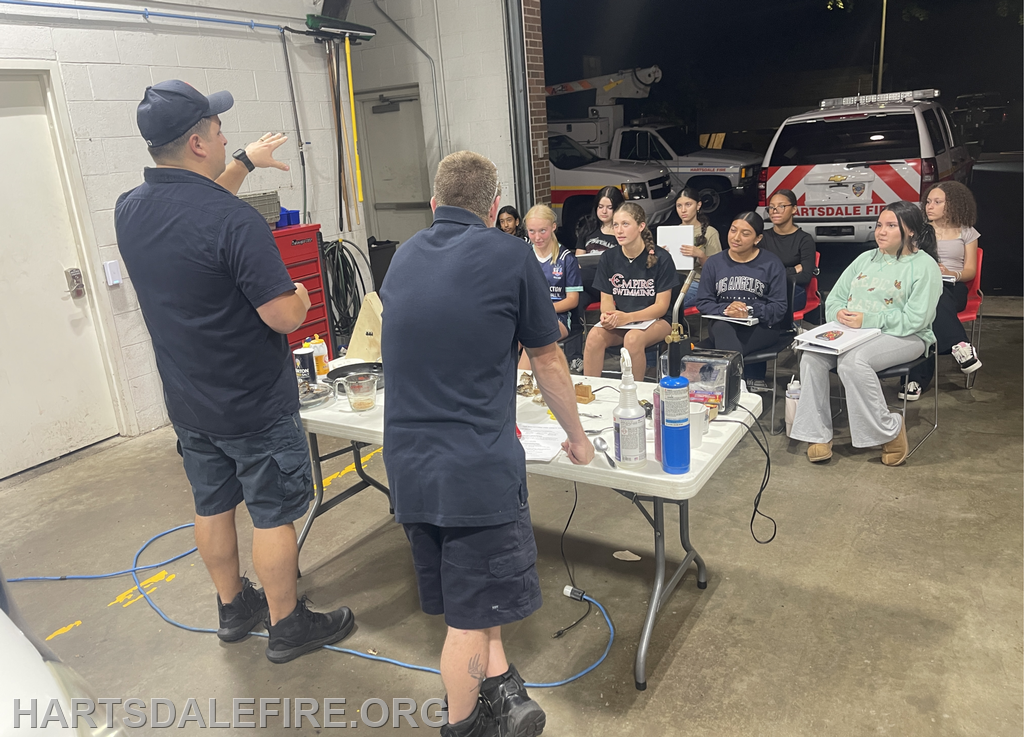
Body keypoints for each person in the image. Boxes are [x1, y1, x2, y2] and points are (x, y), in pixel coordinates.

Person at [114, 80, 354, 664]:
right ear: (198, 143)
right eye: (219, 132)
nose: (225, 137)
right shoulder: (236, 222)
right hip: (252, 402)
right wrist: (297, 294)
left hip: (190, 403)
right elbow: (281, 316)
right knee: (273, 512)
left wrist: (245, 161)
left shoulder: (131, 209)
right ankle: (288, 623)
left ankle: (233, 609)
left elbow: (196, 215)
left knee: (212, 504)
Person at [379, 151, 594, 737]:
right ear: (495, 207)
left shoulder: (403, 257)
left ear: (434, 204)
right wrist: (577, 439)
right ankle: (465, 723)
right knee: (468, 622)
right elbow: (548, 360)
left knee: (469, 597)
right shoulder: (510, 253)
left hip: (409, 465)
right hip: (474, 470)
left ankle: (499, 683)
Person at [790, 201, 942, 467]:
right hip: (854, 332)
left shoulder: (924, 266)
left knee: (853, 362)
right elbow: (835, 297)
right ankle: (817, 433)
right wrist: (838, 314)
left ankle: (889, 431)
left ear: (912, 232)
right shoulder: (865, 258)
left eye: (891, 226)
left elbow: (917, 319)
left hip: (907, 336)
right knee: (812, 356)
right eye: (879, 225)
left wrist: (868, 319)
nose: (881, 232)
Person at [899, 181, 983, 400]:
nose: (929, 206)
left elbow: (970, 271)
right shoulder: (918, 232)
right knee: (926, 305)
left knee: (930, 302)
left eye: (937, 202)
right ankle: (960, 345)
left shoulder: (967, 232)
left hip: (953, 288)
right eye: (928, 202)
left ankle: (913, 380)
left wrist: (950, 273)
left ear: (952, 204)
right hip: (922, 287)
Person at [583, 202, 678, 382]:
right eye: (616, 225)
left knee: (633, 339)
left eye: (625, 224)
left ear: (641, 226)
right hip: (623, 320)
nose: (619, 230)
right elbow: (606, 299)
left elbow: (661, 307)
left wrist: (628, 317)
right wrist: (608, 315)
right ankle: (590, 390)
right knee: (594, 336)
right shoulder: (609, 257)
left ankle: (635, 396)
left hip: (657, 320)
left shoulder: (661, 258)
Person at [694, 212, 788, 364]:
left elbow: (779, 307)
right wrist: (727, 310)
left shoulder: (772, 264)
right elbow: (703, 302)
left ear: (758, 239)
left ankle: (731, 381)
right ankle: (741, 381)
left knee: (728, 344)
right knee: (722, 328)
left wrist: (749, 311)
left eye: (745, 234)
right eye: (733, 230)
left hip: (761, 327)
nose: (736, 237)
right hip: (723, 324)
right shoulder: (714, 263)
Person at [518, 205, 583, 369]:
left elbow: (572, 301)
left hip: (558, 318)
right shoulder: (523, 254)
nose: (537, 237)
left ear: (553, 227)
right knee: (507, 339)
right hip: (526, 315)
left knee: (534, 337)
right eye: (531, 231)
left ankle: (520, 386)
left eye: (542, 231)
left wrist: (543, 309)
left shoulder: (567, 258)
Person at [759, 188, 816, 313]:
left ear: (794, 209)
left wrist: (773, 277)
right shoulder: (762, 238)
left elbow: (805, 277)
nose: (774, 211)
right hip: (764, 290)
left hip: (791, 290)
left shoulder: (804, 239)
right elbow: (758, 273)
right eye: (771, 207)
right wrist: (793, 270)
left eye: (781, 206)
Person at [671, 187, 722, 309]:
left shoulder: (710, 232)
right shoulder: (672, 232)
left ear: (698, 205)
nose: (683, 210)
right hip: (674, 281)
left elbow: (717, 270)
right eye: (679, 206)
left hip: (697, 282)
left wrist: (701, 255)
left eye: (688, 204)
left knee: (671, 304)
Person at [574, 186, 625, 308]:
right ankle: (577, 327)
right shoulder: (588, 229)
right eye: (600, 207)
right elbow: (578, 260)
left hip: (612, 281)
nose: (604, 211)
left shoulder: (623, 232)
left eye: (609, 208)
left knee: (578, 276)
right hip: (589, 281)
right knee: (578, 298)